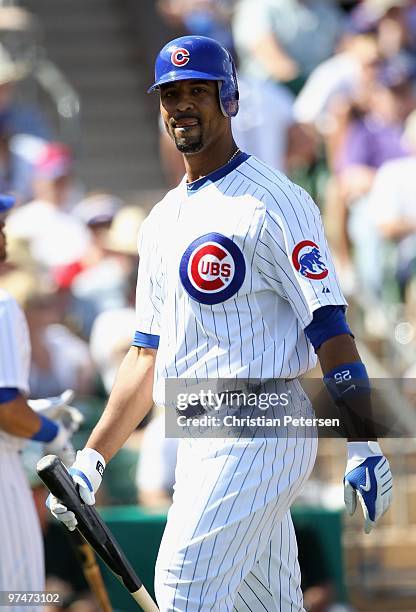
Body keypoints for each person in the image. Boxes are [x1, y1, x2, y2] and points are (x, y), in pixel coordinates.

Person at [48, 36, 393, 611]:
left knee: (184, 585)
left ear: (228, 99)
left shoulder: (276, 202)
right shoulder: (160, 221)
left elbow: (331, 327)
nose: (182, 104)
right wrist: (92, 459)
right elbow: (144, 356)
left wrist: (363, 440)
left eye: (198, 91)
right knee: (267, 604)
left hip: (263, 424)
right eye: (172, 94)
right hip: (197, 429)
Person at [0, 195, 76, 612]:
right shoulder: (3, 303)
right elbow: (7, 410)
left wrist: (36, 409)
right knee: (17, 600)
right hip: (2, 473)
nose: (4, 233)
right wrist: (52, 431)